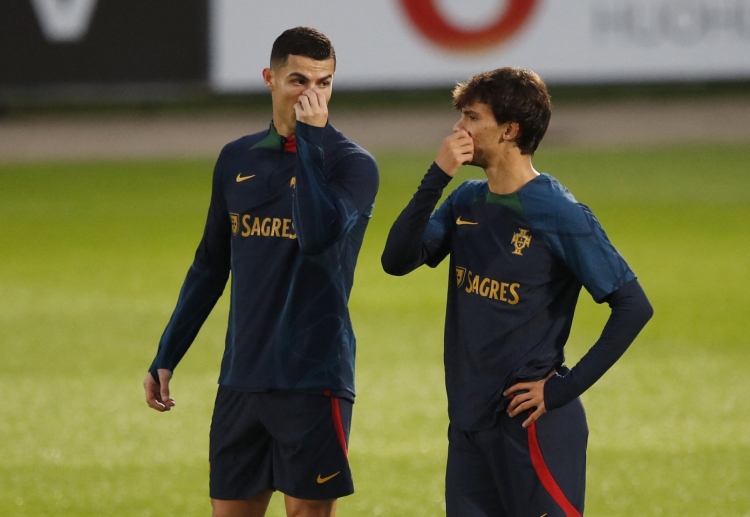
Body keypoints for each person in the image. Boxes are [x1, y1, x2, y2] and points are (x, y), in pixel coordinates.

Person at [381, 67, 653, 516]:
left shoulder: (558, 212)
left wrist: (563, 388)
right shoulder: (465, 201)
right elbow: (395, 261)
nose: (458, 128)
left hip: (532, 428)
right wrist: (436, 176)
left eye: (472, 117)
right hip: (468, 427)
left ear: (509, 130)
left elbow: (633, 306)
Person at [143, 27, 379, 517]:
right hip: (242, 379)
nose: (311, 95)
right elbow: (210, 264)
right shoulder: (236, 159)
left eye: (324, 82)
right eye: (298, 81)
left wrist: (311, 143)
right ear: (269, 79)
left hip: (314, 381)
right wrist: (168, 352)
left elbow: (315, 234)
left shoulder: (352, 166)